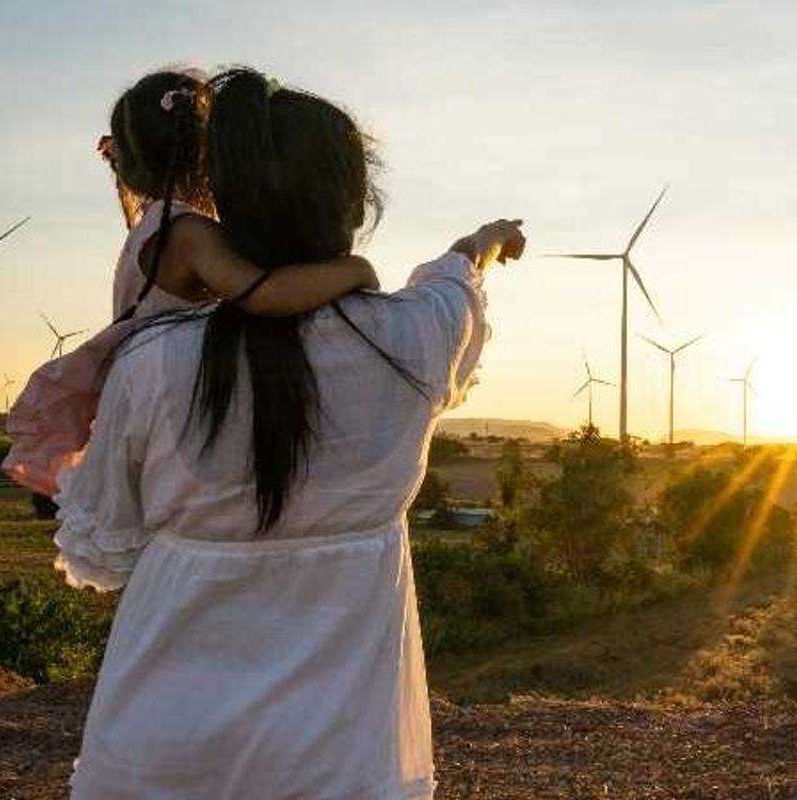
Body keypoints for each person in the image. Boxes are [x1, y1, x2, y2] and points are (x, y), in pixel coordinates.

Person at [53, 66, 524, 799]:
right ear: (355, 201)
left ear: (225, 206)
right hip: (343, 754)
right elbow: (456, 273)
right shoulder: (417, 336)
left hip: (163, 741)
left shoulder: (150, 362)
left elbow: (102, 548)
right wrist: (490, 238)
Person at [4, 69, 377, 499]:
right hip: (171, 398)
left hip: (147, 393)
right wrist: (355, 270)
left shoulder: (154, 225)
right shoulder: (189, 233)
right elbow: (261, 293)